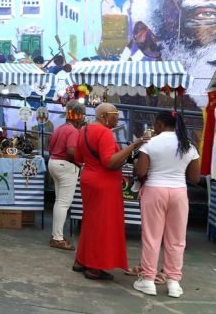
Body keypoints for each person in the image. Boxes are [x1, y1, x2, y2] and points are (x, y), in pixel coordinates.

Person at [73, 103, 145, 280]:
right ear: (104, 115)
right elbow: (109, 162)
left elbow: (77, 157)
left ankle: (81, 260)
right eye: (115, 114)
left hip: (88, 178)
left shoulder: (84, 130)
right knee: (103, 225)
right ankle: (94, 268)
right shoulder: (105, 132)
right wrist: (133, 146)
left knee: (91, 221)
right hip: (104, 182)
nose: (118, 118)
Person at [132, 111, 200, 297]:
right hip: (179, 192)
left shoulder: (151, 143)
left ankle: (147, 280)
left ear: (161, 124)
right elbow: (195, 178)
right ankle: (173, 283)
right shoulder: (189, 146)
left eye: (156, 124)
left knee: (152, 237)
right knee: (177, 239)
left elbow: (141, 172)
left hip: (154, 190)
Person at [47, 100, 86, 251]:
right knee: (63, 203)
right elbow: (71, 151)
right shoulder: (73, 131)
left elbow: (50, 147)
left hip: (54, 163)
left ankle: (56, 235)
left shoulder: (60, 128)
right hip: (65, 166)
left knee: (59, 202)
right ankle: (57, 238)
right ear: (77, 116)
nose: (83, 118)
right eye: (81, 115)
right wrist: (80, 163)